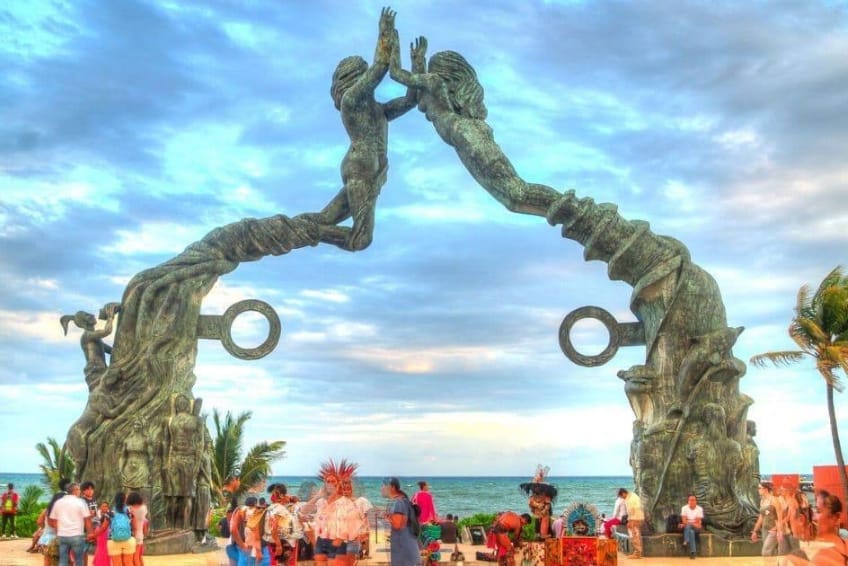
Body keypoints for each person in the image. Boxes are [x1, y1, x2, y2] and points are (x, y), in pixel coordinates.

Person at [388, 26, 560, 218]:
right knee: (511, 201)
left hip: (466, 134)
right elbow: (414, 96)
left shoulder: (434, 82)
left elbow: (395, 73)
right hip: (462, 141)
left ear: (445, 71)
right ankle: (573, 215)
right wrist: (418, 61)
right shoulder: (429, 89)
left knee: (516, 191)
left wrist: (391, 43)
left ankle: (579, 211)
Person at [307, 7, 424, 252]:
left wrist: (418, 64)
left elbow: (410, 100)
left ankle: (293, 229)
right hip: (360, 168)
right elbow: (380, 67)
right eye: (362, 75)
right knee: (361, 239)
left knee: (325, 218)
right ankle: (309, 232)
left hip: (373, 174)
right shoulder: (350, 102)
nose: (366, 80)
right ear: (353, 78)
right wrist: (385, 33)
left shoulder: (379, 111)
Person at [313, 459, 365, 566]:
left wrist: (341, 538)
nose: (331, 484)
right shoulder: (321, 502)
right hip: (321, 541)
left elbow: (354, 523)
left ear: (338, 484)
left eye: (333, 481)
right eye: (328, 481)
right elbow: (314, 520)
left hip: (339, 541)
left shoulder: (346, 503)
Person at [784, 490, 848, 565]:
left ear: (836, 517)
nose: (813, 517)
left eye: (818, 511)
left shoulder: (796, 559)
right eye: (812, 511)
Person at [48, 482, 93, 566]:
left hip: (63, 535)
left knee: (63, 560)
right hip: (77, 535)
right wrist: (90, 534)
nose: (80, 492)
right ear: (75, 491)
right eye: (79, 489)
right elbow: (87, 519)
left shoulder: (58, 502)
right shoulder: (81, 502)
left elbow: (53, 520)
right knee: (79, 560)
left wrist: (58, 532)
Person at [382, 477, 420, 566]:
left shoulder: (398, 502)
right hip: (407, 548)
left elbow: (398, 525)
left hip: (403, 549)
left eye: (383, 485)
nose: (382, 488)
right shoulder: (403, 500)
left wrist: (387, 518)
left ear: (392, 487)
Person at [751, 481, 781, 557]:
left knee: (766, 551)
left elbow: (780, 517)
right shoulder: (762, 501)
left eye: (759, 488)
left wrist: (778, 530)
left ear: (765, 489)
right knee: (771, 552)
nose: (758, 490)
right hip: (764, 529)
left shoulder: (774, 500)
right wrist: (755, 531)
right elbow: (761, 517)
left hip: (773, 529)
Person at [107, 492, 136, 566]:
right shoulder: (129, 511)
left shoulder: (111, 512)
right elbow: (134, 526)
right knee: (128, 563)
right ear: (124, 500)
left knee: (117, 564)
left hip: (114, 540)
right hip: (128, 539)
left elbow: (105, 526)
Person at [620, 488, 644, 559]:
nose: (622, 498)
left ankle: (637, 553)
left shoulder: (629, 499)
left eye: (622, 496)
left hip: (635, 518)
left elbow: (632, 510)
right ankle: (638, 552)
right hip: (639, 517)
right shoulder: (633, 495)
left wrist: (630, 521)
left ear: (623, 493)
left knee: (633, 535)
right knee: (636, 534)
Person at [126, 491, 148, 565]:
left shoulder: (130, 509)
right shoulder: (143, 508)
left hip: (134, 535)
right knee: (138, 556)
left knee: (134, 558)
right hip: (140, 534)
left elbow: (132, 523)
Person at [678, 494, 703, 559]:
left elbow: (698, 522)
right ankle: (693, 553)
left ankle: (685, 541)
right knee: (691, 532)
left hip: (696, 528)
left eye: (693, 500)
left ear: (696, 501)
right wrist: (691, 522)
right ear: (688, 501)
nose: (692, 501)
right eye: (690, 500)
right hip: (690, 527)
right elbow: (684, 520)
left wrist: (688, 522)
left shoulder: (699, 509)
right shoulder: (684, 508)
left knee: (688, 526)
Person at [90, 501, 111, 566]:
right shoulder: (96, 516)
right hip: (98, 535)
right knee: (100, 550)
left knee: (106, 551)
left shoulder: (110, 515)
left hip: (108, 537)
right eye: (103, 506)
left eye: (106, 506)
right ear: (100, 507)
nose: (105, 508)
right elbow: (92, 525)